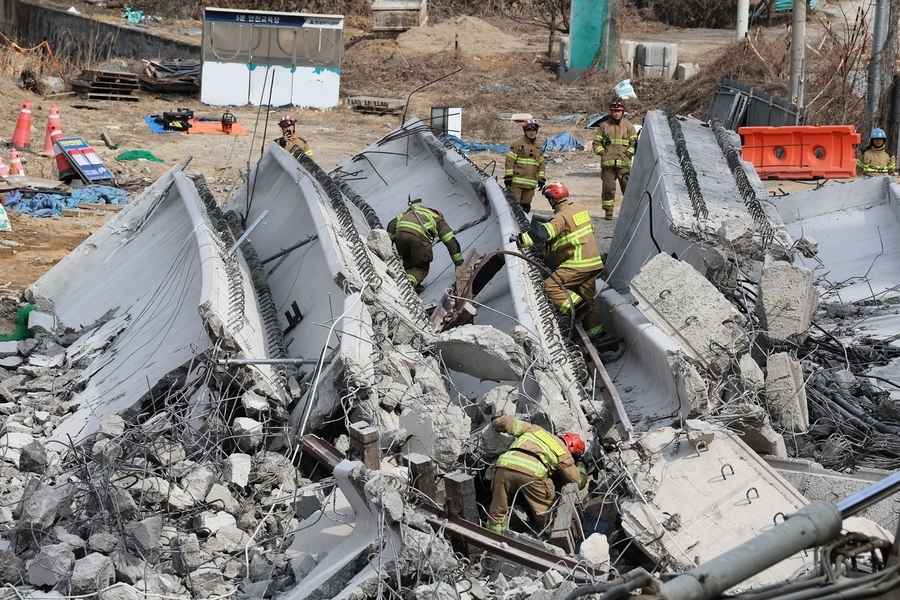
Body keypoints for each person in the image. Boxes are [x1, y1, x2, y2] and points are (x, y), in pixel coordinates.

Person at [516, 182, 606, 340]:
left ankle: (577, 308)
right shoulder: (580, 209)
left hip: (577, 264)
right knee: (588, 298)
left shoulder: (560, 216)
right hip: (594, 262)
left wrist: (520, 239)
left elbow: (544, 233)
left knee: (550, 287)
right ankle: (598, 336)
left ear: (552, 199)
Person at [487, 415, 586, 533]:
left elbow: (506, 422)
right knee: (546, 514)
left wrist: (496, 422)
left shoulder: (535, 429)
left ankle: (494, 536)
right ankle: (546, 536)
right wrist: (580, 466)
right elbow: (576, 481)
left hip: (504, 465)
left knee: (497, 510)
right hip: (531, 474)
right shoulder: (564, 452)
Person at [387, 199, 464, 291]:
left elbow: (391, 225)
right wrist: (459, 263)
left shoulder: (405, 215)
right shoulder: (436, 217)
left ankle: (413, 283)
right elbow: (450, 242)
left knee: (408, 263)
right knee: (420, 267)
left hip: (400, 237)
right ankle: (408, 285)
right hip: (419, 239)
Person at [593, 100, 637, 220]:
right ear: (611, 112)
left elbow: (634, 143)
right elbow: (596, 143)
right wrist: (603, 153)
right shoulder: (603, 126)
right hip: (608, 166)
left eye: (618, 111)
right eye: (614, 111)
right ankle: (608, 213)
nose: (616, 113)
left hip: (624, 165)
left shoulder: (629, 126)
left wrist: (628, 154)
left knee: (627, 189)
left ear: (622, 112)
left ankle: (631, 213)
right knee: (608, 189)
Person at [504, 119, 547, 213]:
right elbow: (510, 160)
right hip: (516, 183)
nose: (531, 133)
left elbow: (541, 164)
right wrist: (508, 176)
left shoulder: (538, 147)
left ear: (536, 131)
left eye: (533, 130)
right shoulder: (518, 144)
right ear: (525, 131)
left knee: (526, 207)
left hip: (530, 184)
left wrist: (541, 178)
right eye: (529, 130)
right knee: (514, 206)